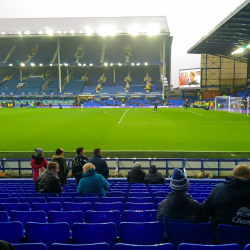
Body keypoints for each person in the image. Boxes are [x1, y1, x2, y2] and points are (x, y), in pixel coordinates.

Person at [157, 168, 207, 234]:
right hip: (192, 241)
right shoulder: (197, 207)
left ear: (172, 187)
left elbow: (159, 225)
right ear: (187, 187)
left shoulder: (162, 206)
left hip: (170, 242)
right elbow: (204, 224)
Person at [203, 164, 250, 229]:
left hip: (221, 236)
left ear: (233, 175)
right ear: (249, 175)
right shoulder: (220, 188)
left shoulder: (220, 189)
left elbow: (207, 210)